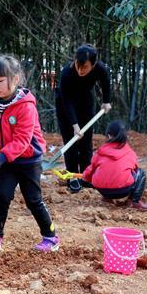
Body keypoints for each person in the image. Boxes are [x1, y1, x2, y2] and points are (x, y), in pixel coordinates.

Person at [0, 55, 58, 254]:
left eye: (0, 81)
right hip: (7, 159)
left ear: (15, 79)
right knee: (2, 196)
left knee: (33, 200)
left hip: (29, 159)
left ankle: (51, 236)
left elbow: (23, 140)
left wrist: (0, 158)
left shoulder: (26, 106)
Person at [54, 44, 112, 193]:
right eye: (78, 66)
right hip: (66, 106)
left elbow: (105, 81)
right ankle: (73, 177)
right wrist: (74, 125)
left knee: (86, 142)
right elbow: (66, 101)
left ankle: (85, 176)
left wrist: (106, 101)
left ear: (93, 64)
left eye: (84, 67)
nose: (80, 70)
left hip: (86, 102)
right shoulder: (67, 73)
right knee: (71, 142)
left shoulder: (100, 68)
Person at [80, 120, 147, 210]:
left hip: (103, 190)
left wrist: (86, 176)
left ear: (109, 136)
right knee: (140, 173)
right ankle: (135, 201)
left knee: (99, 172)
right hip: (123, 190)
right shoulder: (130, 152)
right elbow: (135, 169)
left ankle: (107, 198)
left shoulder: (100, 152)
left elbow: (91, 170)